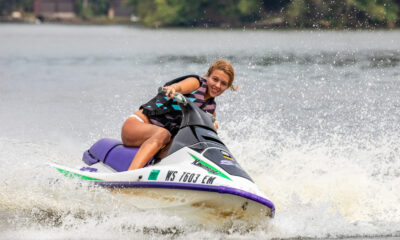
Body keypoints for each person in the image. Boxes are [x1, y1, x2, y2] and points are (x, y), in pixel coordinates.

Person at [121, 59, 236, 170]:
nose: (217, 85)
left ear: (227, 87)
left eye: (223, 83)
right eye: (215, 79)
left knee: (186, 140)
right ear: (208, 76)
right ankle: (129, 177)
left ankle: (157, 170)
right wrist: (173, 88)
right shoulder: (197, 83)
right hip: (136, 125)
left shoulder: (211, 110)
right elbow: (180, 87)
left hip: (161, 140)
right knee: (164, 134)